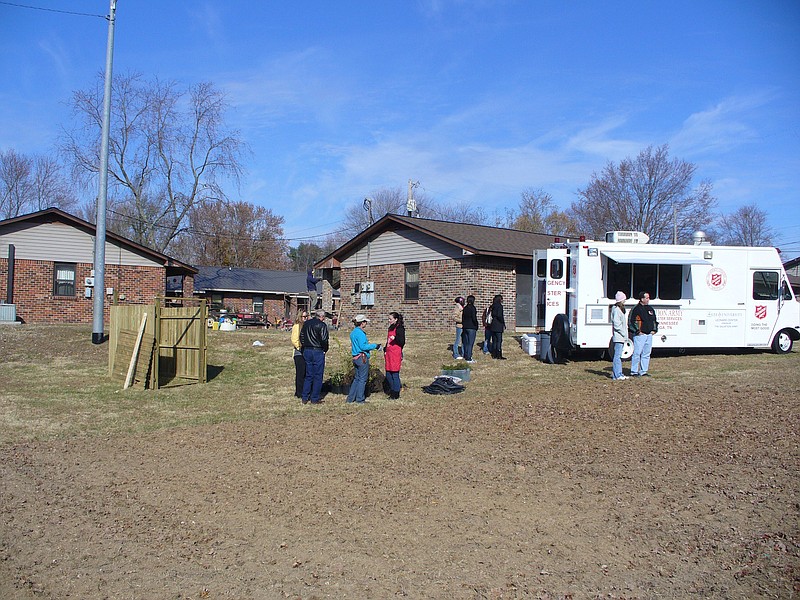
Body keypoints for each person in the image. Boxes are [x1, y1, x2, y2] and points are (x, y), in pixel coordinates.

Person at [347, 314, 381, 404]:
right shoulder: (360, 333)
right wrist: (375, 346)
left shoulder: (353, 332)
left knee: (357, 378)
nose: (366, 323)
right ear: (362, 323)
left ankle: (350, 398)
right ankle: (360, 399)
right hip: (362, 358)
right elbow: (363, 346)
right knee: (362, 379)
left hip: (355, 357)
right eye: (365, 322)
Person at [299, 309, 329, 404]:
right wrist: (325, 349)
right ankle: (314, 398)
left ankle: (304, 397)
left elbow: (301, 337)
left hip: (307, 350)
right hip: (317, 350)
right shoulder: (322, 325)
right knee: (318, 375)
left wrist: (304, 347)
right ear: (322, 317)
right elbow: (324, 339)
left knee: (309, 375)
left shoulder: (306, 324)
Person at [628, 291, 659, 377]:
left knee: (646, 353)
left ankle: (643, 371)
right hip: (640, 336)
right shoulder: (636, 309)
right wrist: (637, 331)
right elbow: (631, 321)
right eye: (647, 298)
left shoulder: (650, 309)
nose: (648, 299)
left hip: (649, 335)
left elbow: (654, 320)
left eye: (648, 298)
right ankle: (634, 371)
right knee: (637, 353)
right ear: (642, 299)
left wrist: (654, 330)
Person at [384, 312, 406, 399]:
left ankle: (395, 393)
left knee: (394, 373)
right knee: (388, 373)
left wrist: (395, 338)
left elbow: (402, 342)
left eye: (390, 319)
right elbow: (388, 340)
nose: (389, 321)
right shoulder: (390, 328)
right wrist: (385, 348)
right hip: (389, 353)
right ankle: (392, 389)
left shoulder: (400, 328)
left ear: (396, 319)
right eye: (388, 319)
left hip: (395, 353)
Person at [290, 309, 309, 398]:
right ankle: (299, 392)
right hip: (299, 353)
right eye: (304, 317)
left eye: (307, 316)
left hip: (307, 352)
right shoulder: (296, 326)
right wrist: (299, 347)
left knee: (306, 373)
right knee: (300, 373)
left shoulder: (307, 326)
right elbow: (294, 339)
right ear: (300, 317)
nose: (306, 318)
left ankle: (305, 391)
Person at [610, 291, 629, 381]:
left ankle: (616, 374)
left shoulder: (617, 309)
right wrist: (624, 334)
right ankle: (618, 374)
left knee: (617, 356)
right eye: (624, 299)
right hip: (619, 337)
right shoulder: (617, 310)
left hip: (620, 336)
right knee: (617, 356)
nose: (625, 301)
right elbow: (617, 325)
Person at [461, 295, 479, 363]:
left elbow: (463, 318)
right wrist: (476, 324)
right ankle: (468, 358)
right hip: (471, 327)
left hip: (465, 327)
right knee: (470, 343)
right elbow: (474, 318)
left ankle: (466, 355)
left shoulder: (465, 308)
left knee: (466, 342)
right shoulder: (473, 308)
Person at [488, 294, 506, 359]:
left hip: (493, 324)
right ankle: (499, 354)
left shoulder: (493, 306)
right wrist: (503, 323)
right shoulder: (500, 306)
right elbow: (499, 316)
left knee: (494, 340)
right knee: (499, 340)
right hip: (498, 325)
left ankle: (494, 354)